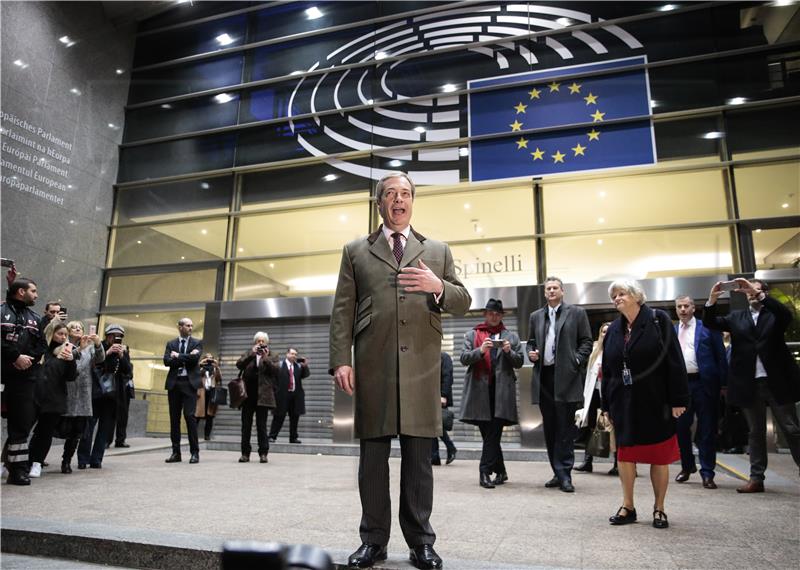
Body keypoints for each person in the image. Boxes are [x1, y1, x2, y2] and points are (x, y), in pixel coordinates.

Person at [329, 171, 470, 570]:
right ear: (379, 203)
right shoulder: (356, 250)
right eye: (391, 193)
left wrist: (436, 285)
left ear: (412, 202)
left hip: (421, 368)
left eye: (405, 193)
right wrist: (341, 358)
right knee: (372, 459)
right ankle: (373, 541)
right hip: (373, 364)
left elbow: (462, 300)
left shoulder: (437, 250)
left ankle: (421, 542)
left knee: (418, 460)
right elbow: (343, 309)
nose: (399, 199)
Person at [601, 279, 689, 529]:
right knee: (625, 455)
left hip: (656, 401)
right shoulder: (614, 330)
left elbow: (675, 360)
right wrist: (606, 404)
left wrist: (678, 399)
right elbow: (607, 370)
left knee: (658, 456)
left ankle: (659, 508)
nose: (617, 298)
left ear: (637, 296)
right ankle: (627, 506)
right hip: (623, 403)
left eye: (622, 294)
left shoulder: (658, 320)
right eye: (614, 295)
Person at [702, 278, 800, 493]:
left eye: (752, 290)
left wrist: (759, 295)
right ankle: (756, 478)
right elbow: (711, 323)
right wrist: (712, 299)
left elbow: (786, 316)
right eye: (745, 291)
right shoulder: (737, 317)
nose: (748, 293)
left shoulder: (774, 314)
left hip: (777, 381)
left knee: (792, 429)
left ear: (763, 292)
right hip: (748, 382)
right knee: (755, 432)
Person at [527, 277, 593, 493]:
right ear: (545, 293)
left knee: (565, 429)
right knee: (551, 429)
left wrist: (575, 360)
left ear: (563, 291)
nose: (552, 291)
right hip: (544, 378)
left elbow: (586, 342)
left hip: (566, 377)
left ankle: (565, 474)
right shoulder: (536, 316)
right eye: (548, 289)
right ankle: (557, 472)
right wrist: (532, 353)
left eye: (555, 288)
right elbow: (532, 342)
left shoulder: (576, 313)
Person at [459, 299, 523, 488]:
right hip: (479, 394)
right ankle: (501, 471)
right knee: (490, 436)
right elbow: (463, 358)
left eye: (497, 314)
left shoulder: (511, 337)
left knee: (493, 433)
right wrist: (481, 350)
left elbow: (519, 362)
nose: (494, 316)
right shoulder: (473, 334)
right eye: (490, 313)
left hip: (501, 394)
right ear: (485, 314)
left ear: (501, 316)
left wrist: (509, 352)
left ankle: (484, 472)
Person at [673, 295, 728, 489]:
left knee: (706, 429)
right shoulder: (672, 331)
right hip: (681, 386)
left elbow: (720, 356)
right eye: (679, 306)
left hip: (705, 384)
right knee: (681, 428)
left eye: (686, 306)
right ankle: (687, 467)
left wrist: (723, 384)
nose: (683, 310)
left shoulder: (707, 327)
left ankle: (707, 473)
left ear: (693, 308)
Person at [1, 277, 47, 485]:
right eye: (33, 291)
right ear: (21, 292)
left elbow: (41, 345)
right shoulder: (2, 311)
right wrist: (14, 357)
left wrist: (27, 360)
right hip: (2, 373)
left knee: (21, 425)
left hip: (24, 380)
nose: (36, 295)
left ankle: (17, 470)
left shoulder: (36, 318)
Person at [28, 321, 79, 477]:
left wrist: (71, 361)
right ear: (51, 333)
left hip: (54, 400)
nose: (63, 337)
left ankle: (37, 463)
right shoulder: (40, 350)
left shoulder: (66, 352)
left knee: (44, 433)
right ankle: (11, 463)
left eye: (65, 334)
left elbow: (71, 377)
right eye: (60, 333)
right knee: (22, 431)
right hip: (32, 397)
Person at [78, 324, 131, 469]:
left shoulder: (124, 350)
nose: (116, 338)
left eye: (119, 336)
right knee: (88, 427)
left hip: (112, 396)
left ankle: (96, 460)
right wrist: (107, 352)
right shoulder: (98, 346)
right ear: (107, 335)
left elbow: (128, 372)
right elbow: (91, 364)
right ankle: (83, 459)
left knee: (105, 429)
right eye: (113, 335)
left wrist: (121, 356)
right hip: (95, 393)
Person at [61, 321, 105, 473]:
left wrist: (98, 344)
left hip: (83, 393)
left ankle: (66, 461)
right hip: (66, 391)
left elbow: (100, 359)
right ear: (67, 331)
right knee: (59, 428)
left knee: (76, 432)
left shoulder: (90, 347)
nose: (78, 329)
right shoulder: (64, 344)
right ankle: (38, 461)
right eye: (74, 327)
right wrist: (80, 348)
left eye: (80, 327)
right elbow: (67, 363)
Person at [575, 322, 617, 475]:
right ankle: (587, 462)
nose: (606, 334)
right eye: (603, 331)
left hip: (612, 395)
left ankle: (618, 463)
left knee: (614, 427)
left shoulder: (619, 348)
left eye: (609, 331)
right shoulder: (594, 351)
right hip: (594, 393)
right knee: (591, 426)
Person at [163, 317, 202, 464]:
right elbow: (166, 361)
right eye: (187, 325)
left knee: (190, 416)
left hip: (189, 384)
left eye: (192, 325)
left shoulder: (197, 342)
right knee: (174, 419)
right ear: (180, 327)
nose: (191, 328)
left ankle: (195, 453)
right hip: (174, 384)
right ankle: (176, 453)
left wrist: (178, 356)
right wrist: (187, 357)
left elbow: (194, 360)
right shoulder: (171, 343)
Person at [236, 332, 278, 463]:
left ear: (266, 343)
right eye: (258, 341)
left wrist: (265, 357)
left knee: (262, 426)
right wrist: (251, 354)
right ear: (255, 342)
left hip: (263, 396)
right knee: (246, 426)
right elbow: (239, 364)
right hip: (248, 395)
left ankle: (263, 453)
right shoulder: (249, 353)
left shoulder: (272, 355)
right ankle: (245, 454)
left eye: (263, 341)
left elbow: (276, 371)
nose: (260, 343)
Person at [270, 347, 310, 444]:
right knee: (279, 416)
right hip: (282, 395)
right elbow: (273, 379)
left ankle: (293, 438)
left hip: (295, 396)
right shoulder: (279, 365)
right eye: (292, 354)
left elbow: (305, 375)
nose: (294, 356)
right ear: (287, 354)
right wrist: (276, 391)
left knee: (295, 417)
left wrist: (305, 366)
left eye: (295, 354)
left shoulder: (299, 366)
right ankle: (272, 436)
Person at [431, 352, 457, 466]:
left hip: (440, 396)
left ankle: (440, 453)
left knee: (435, 425)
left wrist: (443, 395)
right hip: (430, 396)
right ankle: (436, 455)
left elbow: (448, 377)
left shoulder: (444, 357)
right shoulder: (429, 356)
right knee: (432, 426)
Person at [196, 353, 222, 441]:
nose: (209, 360)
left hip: (211, 393)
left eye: (211, 358)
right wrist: (201, 363)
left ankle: (207, 435)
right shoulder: (201, 368)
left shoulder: (215, 369)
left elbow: (219, 379)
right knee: (198, 415)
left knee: (210, 416)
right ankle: (193, 435)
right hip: (201, 394)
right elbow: (195, 375)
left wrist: (217, 366)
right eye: (207, 358)